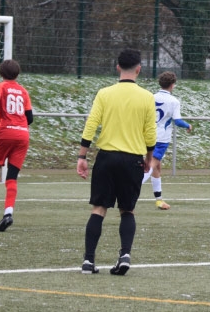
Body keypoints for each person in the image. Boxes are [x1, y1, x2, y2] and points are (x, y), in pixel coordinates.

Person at [77, 48, 156, 275]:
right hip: (132, 160)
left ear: (118, 67)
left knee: (99, 208)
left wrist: (82, 156)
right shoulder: (147, 97)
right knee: (127, 210)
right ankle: (125, 255)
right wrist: (149, 158)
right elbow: (150, 133)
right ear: (139, 69)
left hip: (106, 158)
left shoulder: (104, 94)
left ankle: (88, 260)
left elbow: (91, 125)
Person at [0, 59, 33, 232]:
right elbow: (30, 117)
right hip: (23, 135)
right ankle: (8, 214)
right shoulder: (23, 91)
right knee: (12, 176)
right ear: (17, 74)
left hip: (6, 133)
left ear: (1, 73)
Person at [142, 71, 192, 210]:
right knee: (150, 165)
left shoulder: (151, 97)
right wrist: (188, 125)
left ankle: (159, 200)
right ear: (172, 85)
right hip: (161, 138)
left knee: (157, 167)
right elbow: (177, 121)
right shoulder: (173, 101)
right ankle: (129, 191)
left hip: (147, 135)